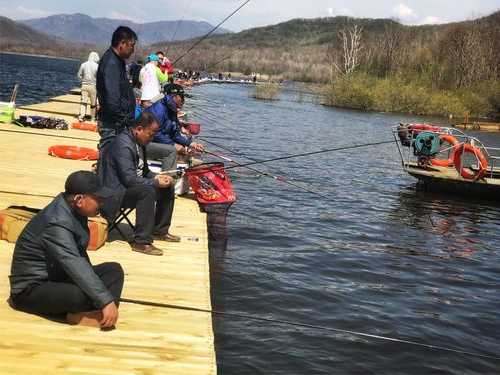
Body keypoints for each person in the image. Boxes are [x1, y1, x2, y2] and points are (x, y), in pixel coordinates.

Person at [9, 171, 123, 329]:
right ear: (79, 199)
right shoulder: (57, 223)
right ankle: (76, 315)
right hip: (31, 289)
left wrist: (102, 297)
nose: (102, 203)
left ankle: (98, 313)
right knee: (80, 295)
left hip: (57, 275)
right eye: (98, 199)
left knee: (113, 270)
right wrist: (105, 300)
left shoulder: (73, 210)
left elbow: (80, 256)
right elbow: (73, 262)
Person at [98, 112, 179, 256]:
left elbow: (144, 171)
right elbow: (129, 179)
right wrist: (154, 182)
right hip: (114, 193)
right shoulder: (123, 145)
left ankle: (160, 230)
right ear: (139, 129)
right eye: (150, 134)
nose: (152, 138)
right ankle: (141, 242)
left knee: (167, 186)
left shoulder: (140, 143)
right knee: (147, 191)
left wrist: (160, 177)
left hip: (128, 187)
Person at [145, 83, 204, 173]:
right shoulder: (158, 109)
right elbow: (155, 134)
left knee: (184, 149)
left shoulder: (172, 110)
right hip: (145, 143)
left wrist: (191, 143)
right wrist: (173, 145)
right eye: (182, 98)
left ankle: (185, 164)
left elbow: (175, 134)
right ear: (174, 96)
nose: (184, 101)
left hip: (157, 142)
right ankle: (168, 180)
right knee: (172, 150)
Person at [96, 26, 138, 152]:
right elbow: (111, 98)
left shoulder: (117, 61)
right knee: (109, 161)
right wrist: (125, 121)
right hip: (113, 126)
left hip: (117, 125)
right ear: (122, 43)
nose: (133, 49)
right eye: (132, 45)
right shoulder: (111, 63)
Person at [77, 51, 99, 121]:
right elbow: (99, 77)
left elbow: (79, 75)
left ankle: (81, 116)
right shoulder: (97, 66)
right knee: (93, 104)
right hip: (93, 86)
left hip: (84, 85)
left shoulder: (83, 64)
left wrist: (83, 79)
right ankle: (93, 118)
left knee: (83, 102)